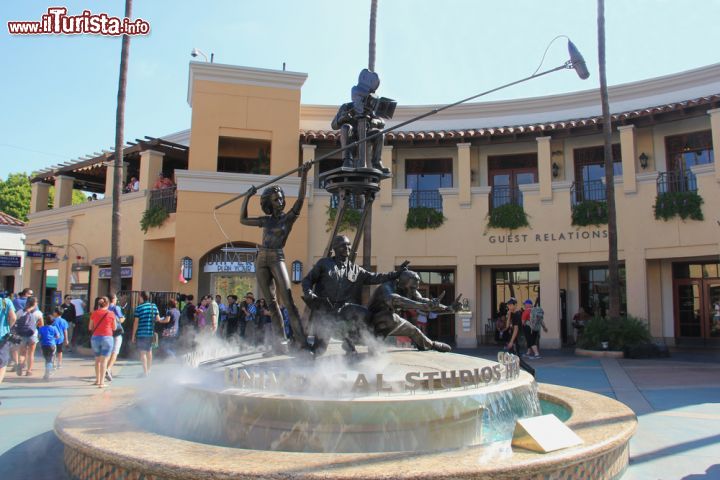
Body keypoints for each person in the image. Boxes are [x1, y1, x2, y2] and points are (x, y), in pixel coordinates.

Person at [241, 162, 312, 353]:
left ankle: (301, 341)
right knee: (271, 304)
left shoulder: (288, 218)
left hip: (277, 257)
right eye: (275, 199)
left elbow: (300, 199)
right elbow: (242, 219)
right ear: (269, 203)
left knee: (288, 301)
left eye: (280, 197)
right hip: (261, 258)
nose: (280, 201)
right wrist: (247, 198)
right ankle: (281, 342)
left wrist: (304, 174)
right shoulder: (265, 221)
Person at [301, 234, 404, 356]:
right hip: (324, 311)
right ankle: (306, 350)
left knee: (365, 314)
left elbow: (375, 277)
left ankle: (353, 342)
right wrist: (308, 293)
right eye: (343, 245)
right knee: (319, 351)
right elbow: (307, 280)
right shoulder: (324, 264)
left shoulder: (355, 269)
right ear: (335, 248)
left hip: (344, 309)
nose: (347, 248)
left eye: (349, 245)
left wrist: (396, 273)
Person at [365, 270, 454, 353]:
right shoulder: (386, 287)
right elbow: (395, 300)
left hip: (390, 320)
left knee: (414, 330)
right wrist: (422, 306)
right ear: (401, 284)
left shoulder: (409, 290)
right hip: (370, 321)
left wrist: (447, 308)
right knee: (391, 318)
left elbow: (422, 300)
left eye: (416, 288)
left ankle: (430, 345)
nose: (414, 290)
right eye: (412, 288)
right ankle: (374, 347)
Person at [132, 291, 161, 377]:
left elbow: (136, 322)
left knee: (143, 353)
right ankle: (149, 369)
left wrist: (133, 335)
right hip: (150, 333)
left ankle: (145, 372)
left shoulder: (139, 308)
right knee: (149, 351)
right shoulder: (154, 306)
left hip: (141, 333)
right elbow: (158, 319)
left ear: (141, 297)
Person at [89, 296, 115, 388]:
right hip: (107, 338)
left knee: (97, 360)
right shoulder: (111, 314)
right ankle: (102, 382)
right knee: (104, 361)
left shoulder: (94, 313)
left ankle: (97, 380)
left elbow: (90, 327)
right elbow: (114, 327)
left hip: (95, 338)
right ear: (108, 304)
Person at [505, 297, 535, 377]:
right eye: (508, 305)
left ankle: (531, 371)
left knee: (517, 359)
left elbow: (516, 329)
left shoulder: (517, 315)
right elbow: (507, 326)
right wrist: (508, 316)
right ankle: (513, 373)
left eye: (511, 305)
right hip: (512, 339)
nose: (509, 307)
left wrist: (512, 341)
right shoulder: (512, 314)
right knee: (511, 358)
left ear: (515, 305)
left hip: (516, 340)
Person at [14, 296, 43, 377]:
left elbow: (15, 321)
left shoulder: (20, 312)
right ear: (35, 303)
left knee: (22, 352)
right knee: (31, 353)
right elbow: (41, 325)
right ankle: (29, 371)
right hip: (33, 335)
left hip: (21, 334)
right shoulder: (38, 313)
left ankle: (20, 364)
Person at [105, 294, 125, 382]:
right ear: (113, 299)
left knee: (107, 352)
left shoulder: (104, 308)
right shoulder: (116, 308)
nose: (117, 299)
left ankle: (105, 369)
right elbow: (121, 319)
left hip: (107, 333)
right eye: (116, 297)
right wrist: (123, 318)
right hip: (116, 332)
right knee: (115, 352)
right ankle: (108, 369)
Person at [0, 293, 17, 387]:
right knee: (2, 364)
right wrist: (8, 328)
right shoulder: (4, 302)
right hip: (2, 336)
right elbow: (13, 317)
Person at [37, 315, 60, 380]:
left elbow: (39, 337)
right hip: (52, 345)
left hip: (44, 345)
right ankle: (48, 373)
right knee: (50, 359)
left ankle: (46, 372)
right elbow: (58, 336)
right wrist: (53, 337)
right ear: (52, 322)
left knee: (47, 359)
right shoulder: (54, 328)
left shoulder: (41, 328)